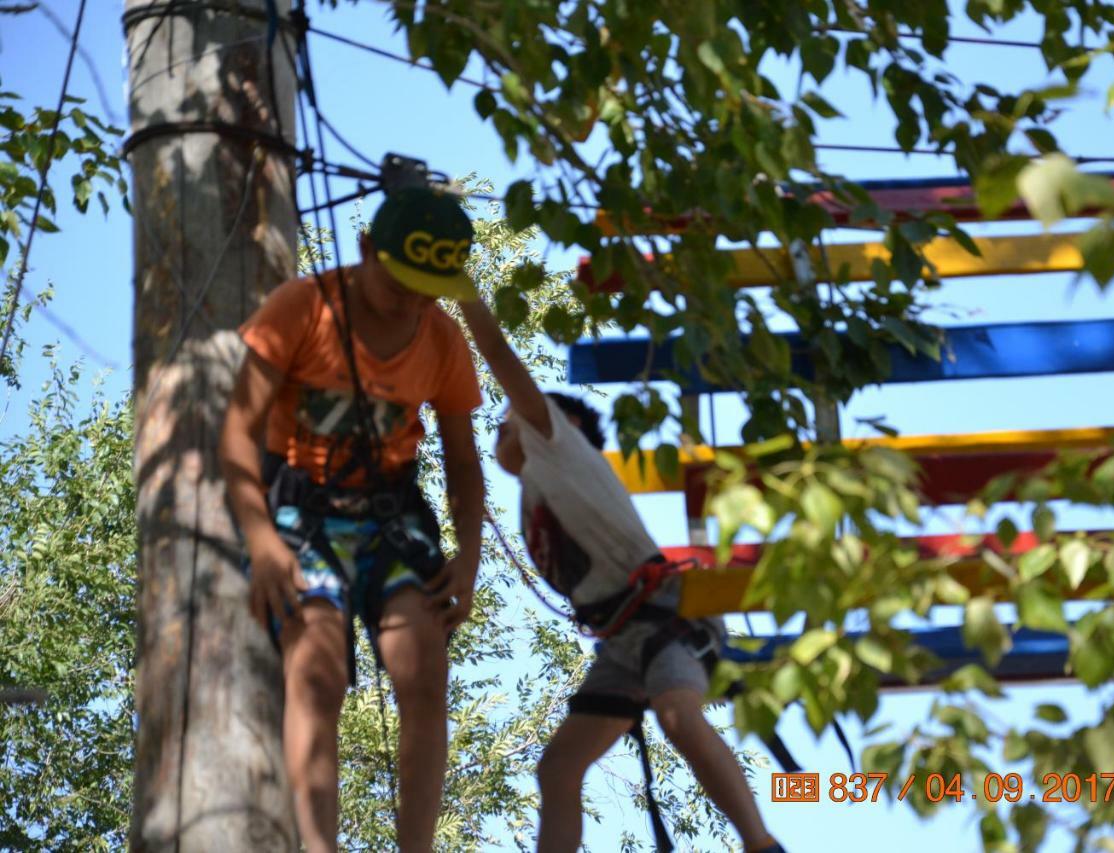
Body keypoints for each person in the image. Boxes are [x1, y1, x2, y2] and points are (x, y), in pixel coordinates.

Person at [456, 295, 784, 853]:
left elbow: (497, 353)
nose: (502, 430)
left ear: (566, 423)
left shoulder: (559, 445)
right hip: (625, 635)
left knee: (677, 714)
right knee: (558, 768)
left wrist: (462, 291)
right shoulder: (543, 488)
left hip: (668, 614)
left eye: (510, 422)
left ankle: (761, 844)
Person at [219, 186, 484, 852]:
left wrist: (470, 555)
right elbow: (234, 435)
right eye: (400, 284)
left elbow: (462, 462)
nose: (411, 303)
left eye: (429, 291)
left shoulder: (442, 338)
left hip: (392, 517)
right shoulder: (302, 308)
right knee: (319, 671)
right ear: (366, 250)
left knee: (423, 671)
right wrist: (259, 538)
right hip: (300, 515)